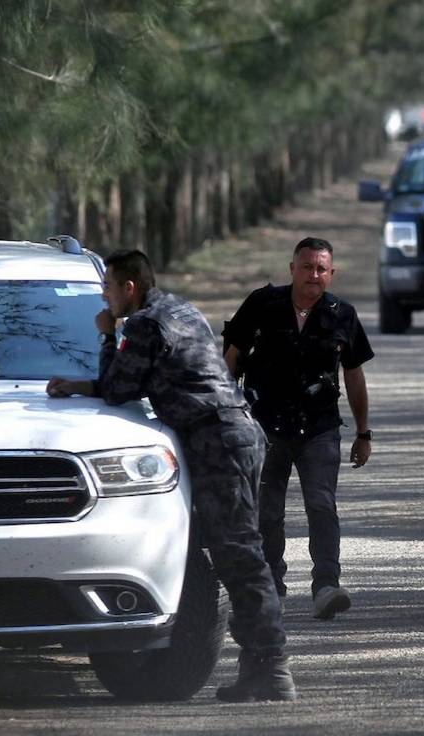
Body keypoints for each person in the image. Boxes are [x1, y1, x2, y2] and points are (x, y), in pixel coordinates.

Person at [46, 249, 295, 702]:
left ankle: (273, 667)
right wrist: (83, 385)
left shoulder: (141, 324)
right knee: (237, 552)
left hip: (217, 441)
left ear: (129, 288)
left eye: (108, 289)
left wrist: (107, 337)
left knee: (239, 554)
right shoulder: (178, 308)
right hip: (233, 433)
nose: (104, 299)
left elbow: (121, 388)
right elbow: (140, 379)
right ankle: (259, 668)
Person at [223, 237, 374, 621]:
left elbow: (354, 376)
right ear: (292, 269)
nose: (314, 275)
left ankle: (326, 585)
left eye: (321, 268)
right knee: (266, 511)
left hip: (319, 428)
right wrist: (224, 418)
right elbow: (230, 362)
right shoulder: (262, 305)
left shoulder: (342, 314)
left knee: (321, 505)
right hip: (264, 427)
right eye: (307, 267)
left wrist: (363, 432)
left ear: (331, 273)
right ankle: (271, 586)